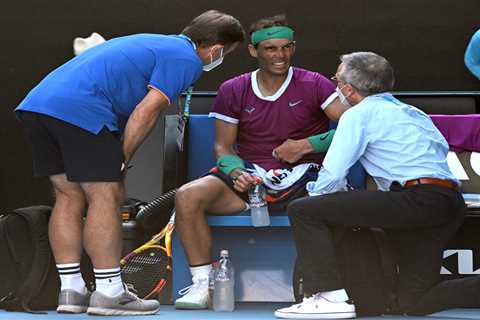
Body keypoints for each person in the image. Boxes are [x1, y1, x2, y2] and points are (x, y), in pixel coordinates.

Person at [15, 10, 245, 316]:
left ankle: (71, 291)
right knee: (104, 195)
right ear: (216, 49)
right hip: (80, 109)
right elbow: (147, 111)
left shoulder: (152, 44)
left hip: (37, 107)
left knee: (68, 195)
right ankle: (110, 293)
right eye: (225, 54)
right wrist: (121, 158)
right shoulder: (186, 58)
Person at [275, 52, 480, 319]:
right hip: (448, 202)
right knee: (413, 301)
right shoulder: (414, 113)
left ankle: (328, 296)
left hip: (416, 199)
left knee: (304, 210)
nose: (335, 84)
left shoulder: (358, 115)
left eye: (336, 79)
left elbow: (333, 174)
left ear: (347, 88)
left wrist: (319, 202)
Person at [174, 14, 347, 310]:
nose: (280, 55)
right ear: (254, 51)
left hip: (306, 181)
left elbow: (353, 128)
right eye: (270, 49)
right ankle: (203, 285)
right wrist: (236, 171)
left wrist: (306, 145)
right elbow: (223, 147)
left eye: (286, 47)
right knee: (187, 196)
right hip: (252, 181)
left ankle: (326, 292)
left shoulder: (315, 83)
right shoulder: (233, 88)